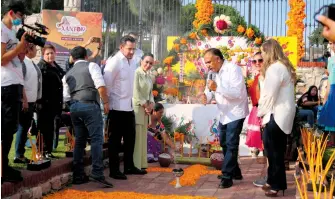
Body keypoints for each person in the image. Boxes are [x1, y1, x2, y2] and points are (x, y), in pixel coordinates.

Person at [63, 46, 113, 187]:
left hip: (74, 107)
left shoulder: (67, 74)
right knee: (96, 139)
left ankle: (78, 174)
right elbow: (100, 85)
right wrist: (106, 102)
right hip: (90, 105)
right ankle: (97, 172)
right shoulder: (92, 66)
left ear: (73, 58)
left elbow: (65, 97)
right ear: (86, 56)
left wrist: (74, 106)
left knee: (80, 140)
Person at [200, 48, 249, 189]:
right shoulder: (211, 73)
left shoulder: (233, 69)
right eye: (206, 63)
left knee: (231, 144)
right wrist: (206, 97)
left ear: (218, 59)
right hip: (223, 113)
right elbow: (209, 91)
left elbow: (236, 93)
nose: (207, 65)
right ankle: (236, 172)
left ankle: (227, 176)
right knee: (224, 143)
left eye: (209, 62)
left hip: (236, 111)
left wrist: (217, 88)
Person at [257, 39, 296, 197]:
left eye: (263, 52)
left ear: (269, 52)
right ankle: (272, 180)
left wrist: (259, 113)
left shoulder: (275, 68)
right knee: (271, 150)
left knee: (275, 152)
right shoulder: (281, 67)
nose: (262, 55)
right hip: (277, 114)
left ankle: (277, 185)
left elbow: (268, 95)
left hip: (277, 115)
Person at [104, 35, 146, 180]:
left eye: (133, 49)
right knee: (114, 141)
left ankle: (129, 166)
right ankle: (114, 170)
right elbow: (107, 84)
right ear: (121, 47)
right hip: (116, 108)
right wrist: (106, 103)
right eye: (129, 49)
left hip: (129, 107)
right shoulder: (114, 62)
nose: (131, 52)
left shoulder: (132, 61)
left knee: (130, 139)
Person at [1, 0, 32, 182]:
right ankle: (2, 170)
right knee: (5, 129)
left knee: (10, 128)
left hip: (15, 84)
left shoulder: (11, 31)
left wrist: (24, 46)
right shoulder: (2, 30)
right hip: (6, 84)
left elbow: (17, 59)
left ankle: (5, 166)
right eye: (20, 17)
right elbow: (1, 59)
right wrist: (20, 46)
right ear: (12, 13)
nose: (21, 20)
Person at [14, 44, 42, 164]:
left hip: (31, 101)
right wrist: (24, 100)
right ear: (29, 50)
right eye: (36, 49)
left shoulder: (31, 63)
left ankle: (19, 154)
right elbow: (21, 82)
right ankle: (18, 155)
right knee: (22, 128)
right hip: (24, 102)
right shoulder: (23, 63)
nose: (37, 51)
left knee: (24, 128)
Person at [37, 44, 65, 159]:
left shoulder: (56, 66)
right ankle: (41, 151)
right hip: (44, 103)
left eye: (52, 53)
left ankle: (48, 150)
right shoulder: (41, 67)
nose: (50, 56)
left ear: (55, 53)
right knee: (43, 128)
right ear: (43, 55)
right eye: (47, 54)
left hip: (55, 102)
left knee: (51, 128)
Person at [132, 53, 155, 170]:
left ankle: (142, 163)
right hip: (137, 108)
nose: (148, 65)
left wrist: (151, 104)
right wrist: (145, 104)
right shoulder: (136, 73)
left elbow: (151, 94)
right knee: (137, 137)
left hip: (146, 110)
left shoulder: (148, 76)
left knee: (143, 137)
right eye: (146, 62)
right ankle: (135, 164)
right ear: (141, 61)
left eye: (151, 63)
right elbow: (135, 92)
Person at [245, 52, 264, 153]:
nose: (257, 63)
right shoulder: (257, 76)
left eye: (260, 60)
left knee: (266, 142)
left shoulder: (265, 76)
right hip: (256, 110)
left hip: (263, 110)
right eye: (254, 61)